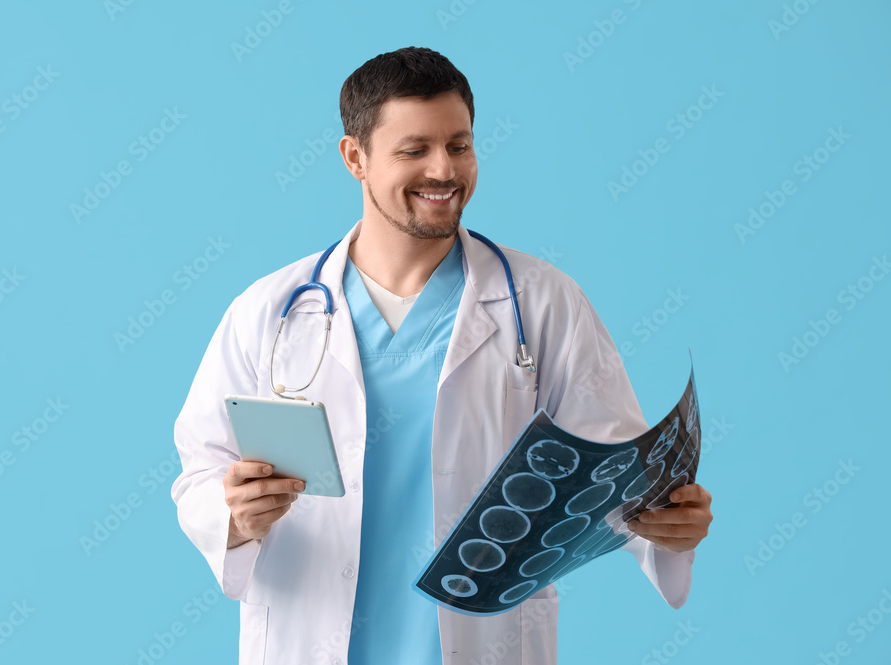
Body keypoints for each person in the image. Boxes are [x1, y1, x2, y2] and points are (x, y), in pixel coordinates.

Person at [171, 46, 713, 665]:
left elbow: (616, 472)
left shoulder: (542, 302)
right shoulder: (269, 311)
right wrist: (234, 517)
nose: (443, 170)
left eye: (459, 145)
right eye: (414, 150)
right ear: (355, 158)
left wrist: (666, 527)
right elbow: (201, 470)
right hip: (309, 637)